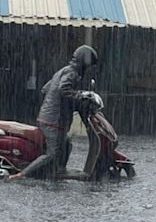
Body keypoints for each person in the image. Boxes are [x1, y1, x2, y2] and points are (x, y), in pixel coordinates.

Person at [9, 45, 98, 180]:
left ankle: (59, 169)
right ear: (84, 63)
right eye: (89, 65)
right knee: (52, 153)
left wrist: (63, 104)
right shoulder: (72, 73)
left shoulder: (63, 70)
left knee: (67, 142)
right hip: (53, 121)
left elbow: (45, 89)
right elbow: (63, 90)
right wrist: (81, 96)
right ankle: (21, 175)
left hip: (48, 117)